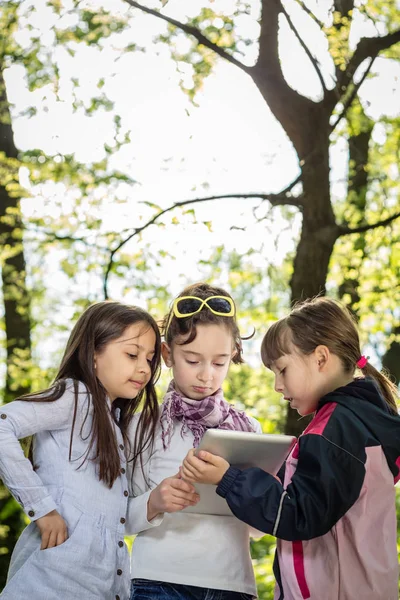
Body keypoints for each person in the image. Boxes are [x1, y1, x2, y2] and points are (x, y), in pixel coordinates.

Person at [182, 296, 400, 600]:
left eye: (282, 370)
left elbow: (299, 514)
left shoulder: (334, 430)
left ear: (321, 359)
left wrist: (229, 479)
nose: (277, 386)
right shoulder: (361, 425)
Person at [0, 301, 162, 600]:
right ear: (93, 354)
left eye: (151, 359)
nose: (144, 368)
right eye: (132, 354)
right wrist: (43, 509)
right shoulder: (75, 396)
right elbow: (2, 427)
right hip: (49, 585)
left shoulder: (113, 425)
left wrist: (157, 502)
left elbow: (113, 521)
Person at [126, 282, 262, 600]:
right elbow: (118, 517)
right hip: (157, 579)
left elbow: (260, 527)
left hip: (232, 581)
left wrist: (251, 492)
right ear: (167, 354)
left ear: (235, 355)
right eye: (192, 360)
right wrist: (154, 501)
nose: (206, 375)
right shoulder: (142, 425)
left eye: (219, 362)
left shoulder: (248, 429)